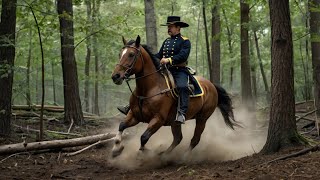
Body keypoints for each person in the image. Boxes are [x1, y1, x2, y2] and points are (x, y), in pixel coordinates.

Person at [117, 16, 191, 124]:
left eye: (171, 27)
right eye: (168, 26)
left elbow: (183, 56)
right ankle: (131, 106)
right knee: (146, 84)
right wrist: (149, 58)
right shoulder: (167, 41)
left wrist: (169, 60)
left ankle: (181, 113)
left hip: (179, 70)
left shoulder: (185, 41)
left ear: (178, 28)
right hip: (164, 69)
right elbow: (159, 55)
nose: (169, 29)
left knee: (182, 87)